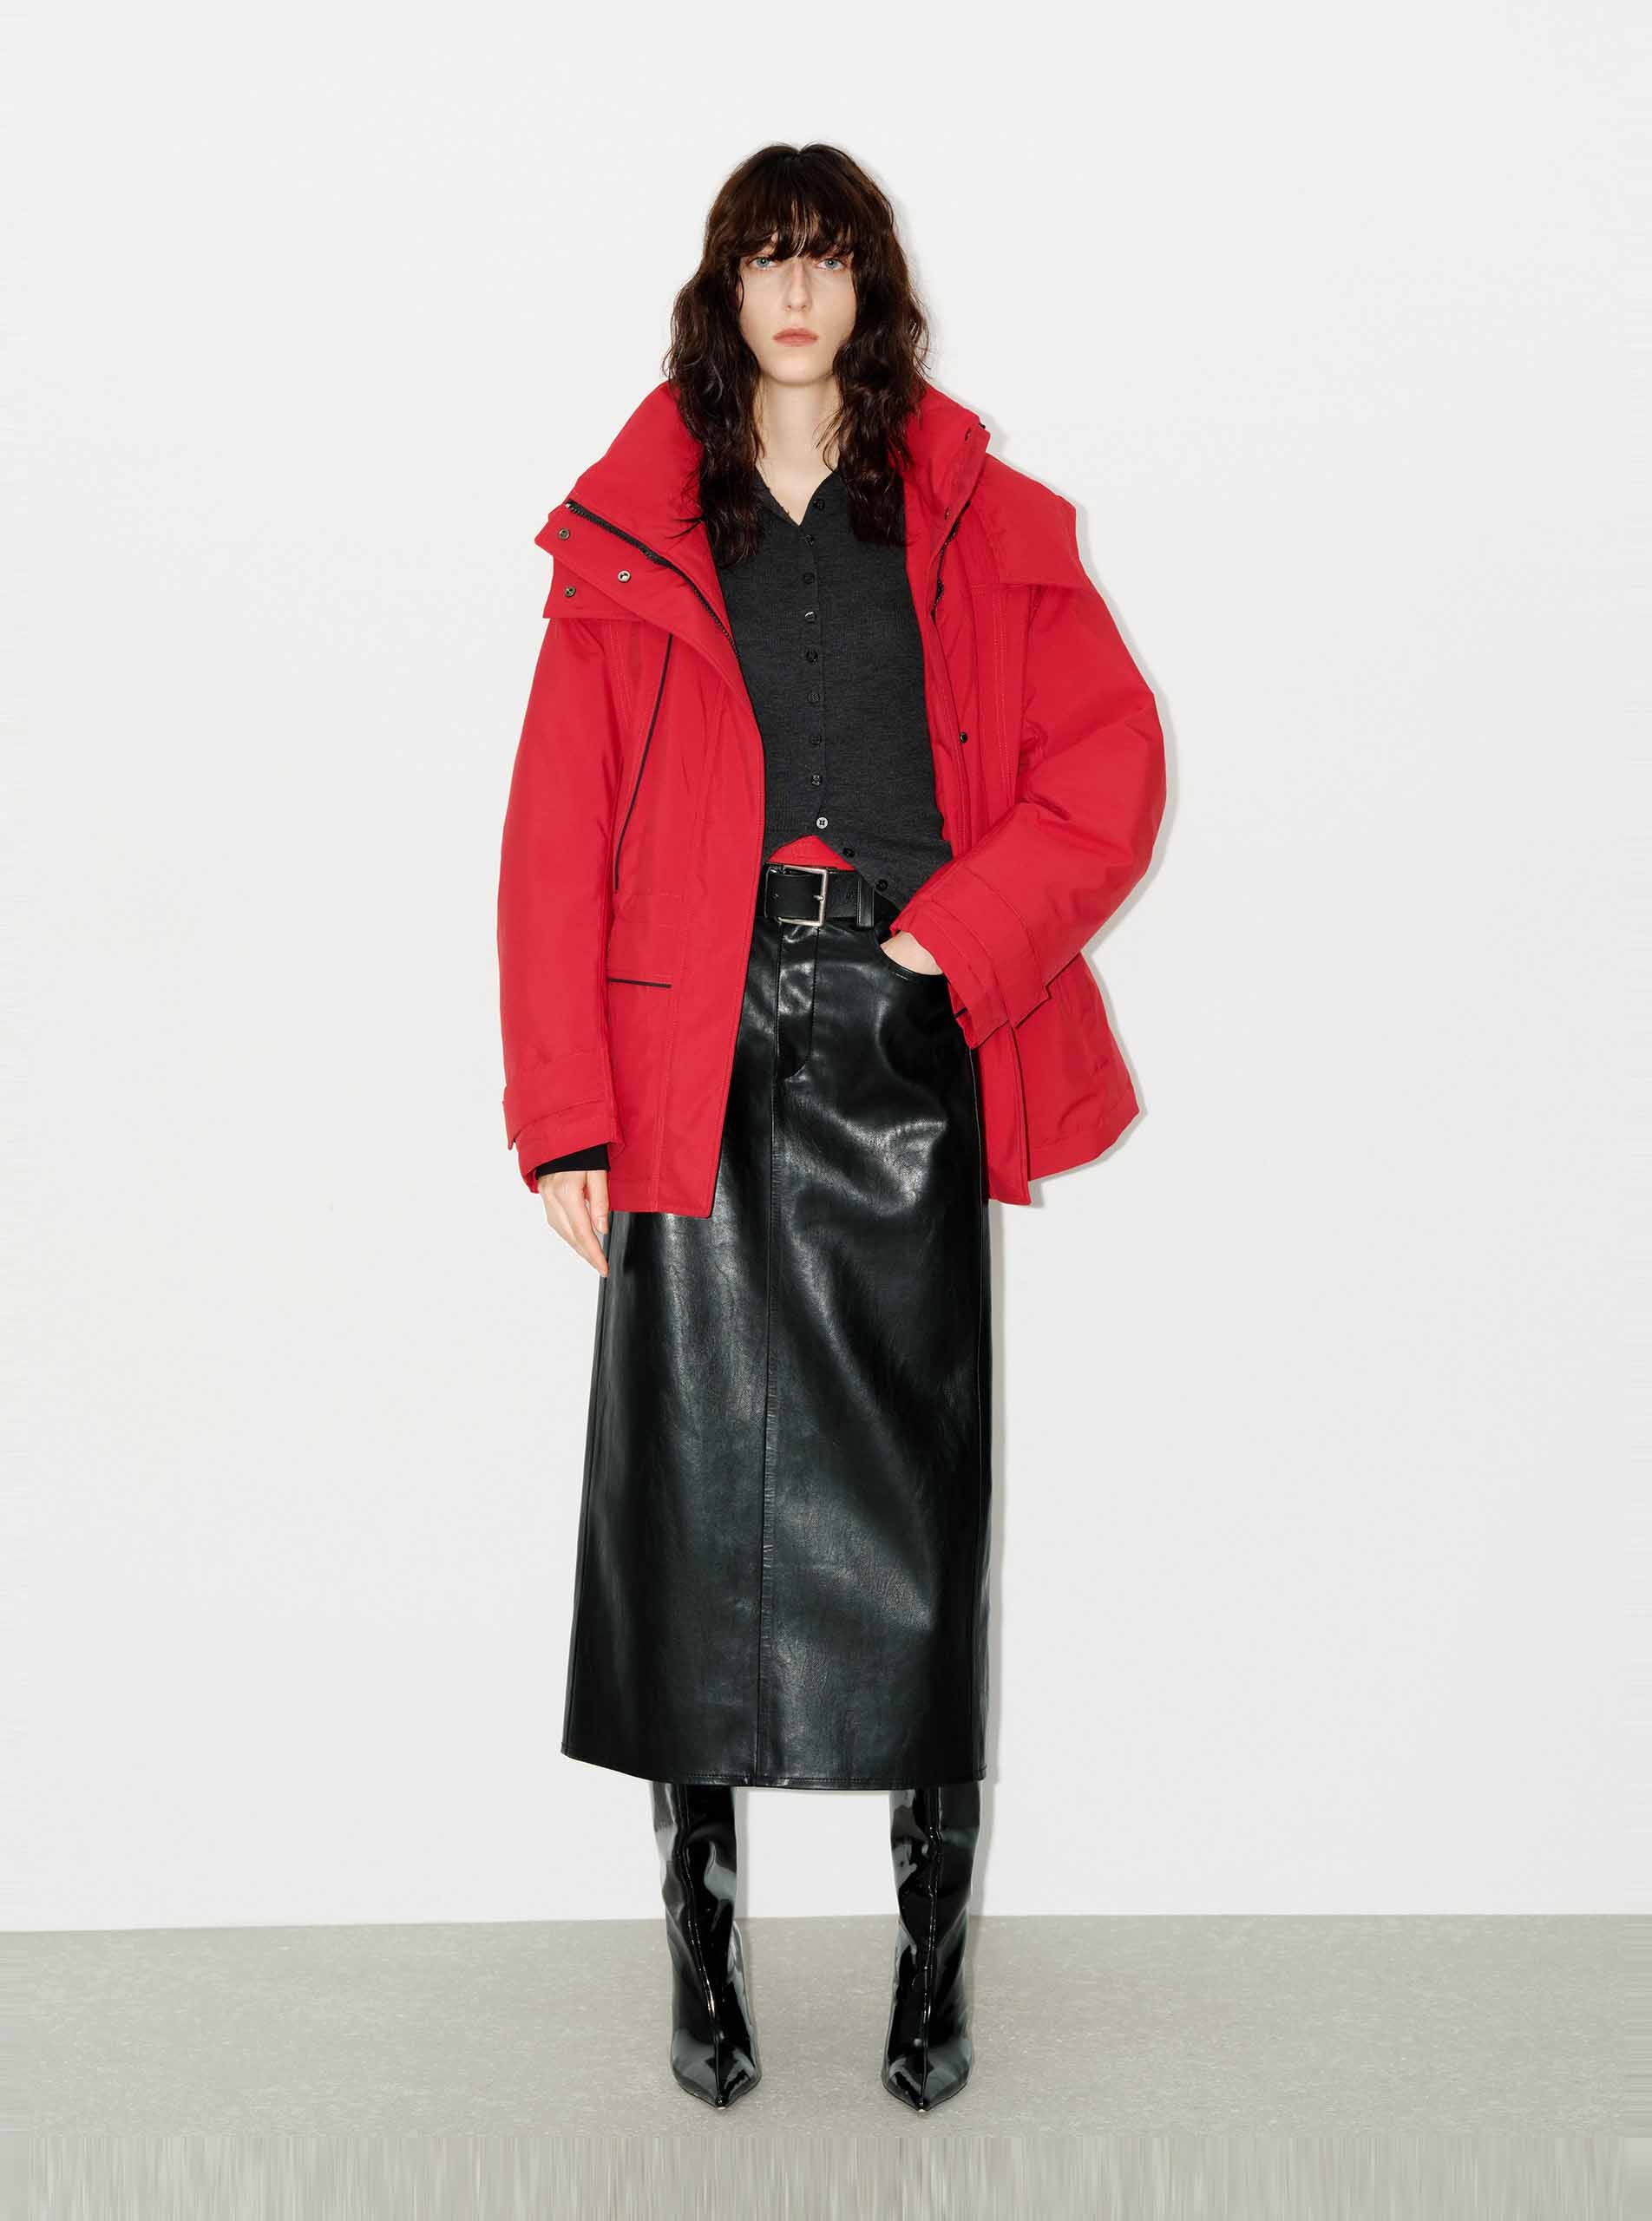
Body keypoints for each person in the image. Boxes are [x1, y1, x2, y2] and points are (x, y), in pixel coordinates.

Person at [495, 141, 1166, 2113]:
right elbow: (554, 840)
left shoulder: (973, 519)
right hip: (685, 1051)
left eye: (830, 258)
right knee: (685, 1512)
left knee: (922, 1519)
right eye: (767, 259)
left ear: (871, 288)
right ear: (727, 292)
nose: (798, 292)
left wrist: (954, 939)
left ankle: (928, 1972)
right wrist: (563, 1115)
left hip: (898, 1036)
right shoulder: (636, 534)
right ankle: (700, 1964)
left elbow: (1107, 773)